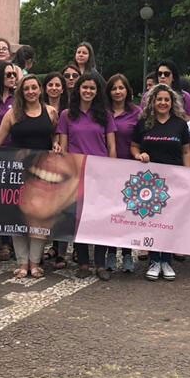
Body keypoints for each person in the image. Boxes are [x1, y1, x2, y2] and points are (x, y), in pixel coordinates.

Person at [0, 74, 59, 278]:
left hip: (42, 173)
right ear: (21, 92)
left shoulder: (51, 112)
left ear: (40, 89)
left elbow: (56, 136)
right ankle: (22, 262)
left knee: (39, 218)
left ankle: (35, 262)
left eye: (34, 88)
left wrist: (57, 144)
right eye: (26, 89)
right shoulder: (12, 114)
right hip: (17, 172)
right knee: (18, 218)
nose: (30, 92)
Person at [57, 72, 116, 279]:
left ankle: (100, 263)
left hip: (100, 173)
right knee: (79, 218)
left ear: (97, 91)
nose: (88, 91)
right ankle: (82, 262)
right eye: (85, 87)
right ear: (78, 89)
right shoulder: (66, 115)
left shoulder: (105, 115)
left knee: (100, 219)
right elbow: (64, 146)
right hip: (76, 172)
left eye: (92, 88)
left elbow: (111, 145)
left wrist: (112, 170)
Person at [131, 84, 190, 281]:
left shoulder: (180, 124)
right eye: (159, 99)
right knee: (152, 220)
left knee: (169, 221)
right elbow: (134, 146)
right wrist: (139, 155)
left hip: (174, 179)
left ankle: (166, 260)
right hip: (149, 181)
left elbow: (186, 151)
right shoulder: (144, 123)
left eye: (167, 99)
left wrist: (188, 175)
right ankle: (154, 261)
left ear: (172, 102)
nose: (163, 103)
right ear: (153, 101)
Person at [107, 73, 143, 273]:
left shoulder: (137, 112)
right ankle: (111, 252)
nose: (118, 91)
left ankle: (128, 253)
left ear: (127, 90)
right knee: (111, 214)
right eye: (114, 88)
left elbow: (142, 138)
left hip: (130, 168)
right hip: (107, 168)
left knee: (128, 214)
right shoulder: (103, 112)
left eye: (121, 87)